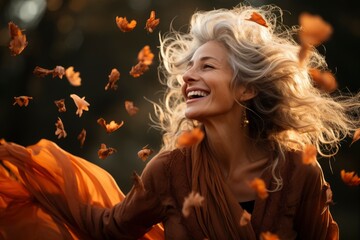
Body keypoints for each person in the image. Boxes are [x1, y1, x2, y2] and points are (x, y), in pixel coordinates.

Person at [1, 4, 359, 240]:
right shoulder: (170, 170)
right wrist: (24, 170)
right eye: (189, 67)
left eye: (206, 66)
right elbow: (105, 229)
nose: (187, 77)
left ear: (247, 89)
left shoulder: (299, 172)